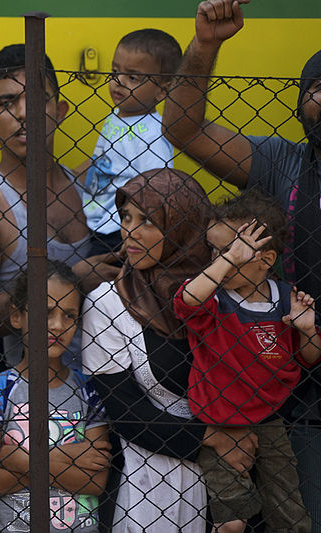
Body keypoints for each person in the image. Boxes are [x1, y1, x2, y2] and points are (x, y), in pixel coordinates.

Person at [162, 1, 321, 528]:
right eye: (317, 90)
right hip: (299, 393)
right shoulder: (285, 164)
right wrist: (206, 44)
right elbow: (185, 132)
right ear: (302, 104)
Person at [81, 168, 260, 532]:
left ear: (183, 227)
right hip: (147, 483)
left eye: (147, 220)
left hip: (232, 476)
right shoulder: (107, 303)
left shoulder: (224, 292)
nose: (130, 231)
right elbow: (125, 411)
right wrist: (215, 437)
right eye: (126, 217)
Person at [0, 43, 118, 369]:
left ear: (61, 110)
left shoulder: (90, 185)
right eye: (8, 102)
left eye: (38, 100)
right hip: (43, 397)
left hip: (117, 382)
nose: (24, 113)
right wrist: (71, 282)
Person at [174, 191, 316, 532]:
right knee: (232, 522)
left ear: (265, 259)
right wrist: (229, 258)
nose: (217, 259)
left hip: (270, 420)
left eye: (231, 251)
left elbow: (309, 358)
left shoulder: (285, 298)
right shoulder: (214, 298)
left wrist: (307, 330)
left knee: (290, 516)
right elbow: (186, 302)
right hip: (220, 421)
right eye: (214, 250)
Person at [0, 260, 110, 532]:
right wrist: (66, 458)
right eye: (46, 312)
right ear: (17, 316)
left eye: (69, 315)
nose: (58, 325)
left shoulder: (88, 389)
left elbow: (95, 482)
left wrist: (20, 460)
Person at [76, 29, 182, 256]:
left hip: (120, 229)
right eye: (115, 71)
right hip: (97, 218)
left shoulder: (153, 133)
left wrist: (137, 230)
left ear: (161, 91)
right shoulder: (118, 114)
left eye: (132, 77)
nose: (118, 82)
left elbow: (157, 186)